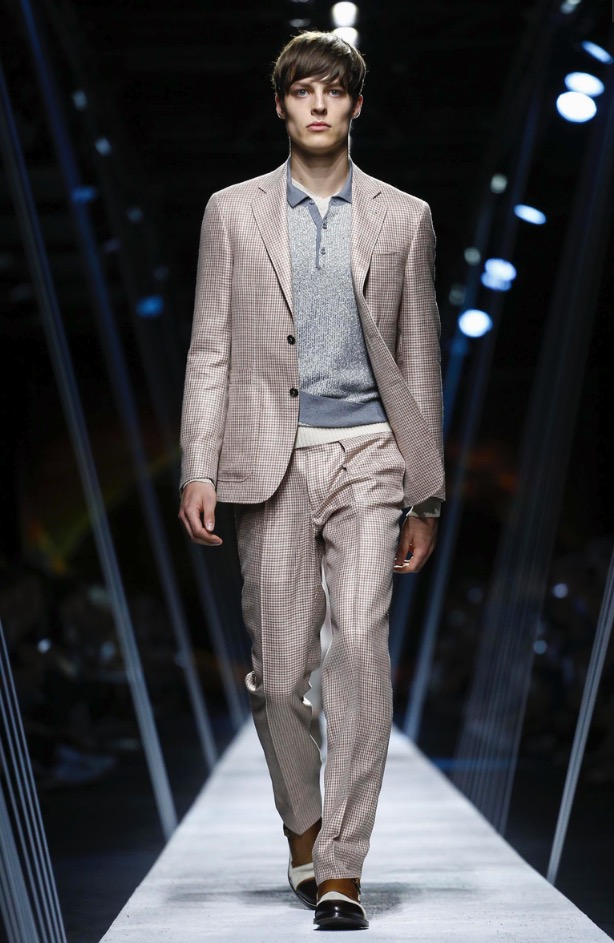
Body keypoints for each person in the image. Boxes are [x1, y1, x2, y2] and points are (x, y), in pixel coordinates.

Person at [179, 30, 444, 931]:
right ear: (282, 104)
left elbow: (420, 359)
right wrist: (198, 464)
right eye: (303, 90)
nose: (319, 104)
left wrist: (426, 491)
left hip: (372, 454)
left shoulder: (405, 218)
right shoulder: (232, 212)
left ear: (356, 104)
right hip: (270, 458)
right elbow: (211, 348)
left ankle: (341, 867)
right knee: (280, 672)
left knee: (360, 648)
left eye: (334, 90)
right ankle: (304, 824)